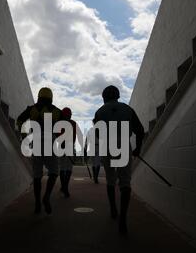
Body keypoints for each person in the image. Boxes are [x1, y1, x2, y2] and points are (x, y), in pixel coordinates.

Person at [94, 85, 144, 234]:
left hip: (107, 146)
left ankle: (113, 209)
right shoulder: (127, 109)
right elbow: (140, 131)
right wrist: (138, 149)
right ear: (118, 95)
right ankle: (123, 217)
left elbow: (98, 134)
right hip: (123, 145)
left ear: (104, 97)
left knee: (110, 180)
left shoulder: (99, 112)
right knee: (125, 182)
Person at [17, 87, 62, 215]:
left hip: (36, 141)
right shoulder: (56, 111)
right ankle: (46, 196)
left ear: (39, 96)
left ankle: (37, 203)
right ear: (51, 97)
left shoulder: (31, 109)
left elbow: (19, 120)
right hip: (50, 141)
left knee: (37, 175)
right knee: (53, 172)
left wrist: (24, 136)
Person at [58, 107, 82, 198]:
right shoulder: (73, 123)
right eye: (70, 114)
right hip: (69, 146)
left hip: (62, 146)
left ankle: (64, 187)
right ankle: (65, 187)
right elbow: (79, 135)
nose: (70, 115)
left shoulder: (59, 123)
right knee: (68, 169)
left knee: (63, 168)